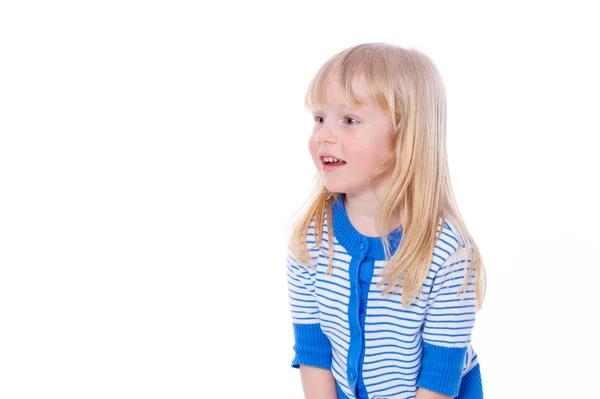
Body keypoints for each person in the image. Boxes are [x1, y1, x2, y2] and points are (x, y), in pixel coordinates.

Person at [286, 42, 487, 399]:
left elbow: (440, 375)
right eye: (319, 118)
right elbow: (314, 352)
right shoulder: (310, 239)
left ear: (404, 137)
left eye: (349, 120)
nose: (323, 136)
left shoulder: (447, 252)